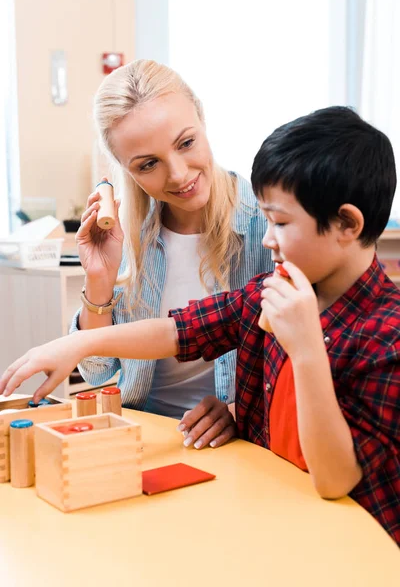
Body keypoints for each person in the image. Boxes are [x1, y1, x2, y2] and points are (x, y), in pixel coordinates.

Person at [1, 106, 399, 545]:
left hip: (351, 545)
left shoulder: (387, 333)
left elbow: (335, 480)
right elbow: (179, 331)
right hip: (270, 517)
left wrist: (306, 351)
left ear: (347, 224)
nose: (268, 239)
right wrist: (78, 343)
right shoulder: (268, 290)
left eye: (281, 223)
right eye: (266, 220)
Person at [70, 59, 272, 448]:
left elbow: (300, 360)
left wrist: (237, 411)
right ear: (128, 172)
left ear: (202, 118)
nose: (178, 175)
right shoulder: (125, 237)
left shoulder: (267, 225)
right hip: (145, 437)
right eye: (148, 164)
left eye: (186, 143)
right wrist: (99, 279)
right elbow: (96, 371)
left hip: (238, 445)